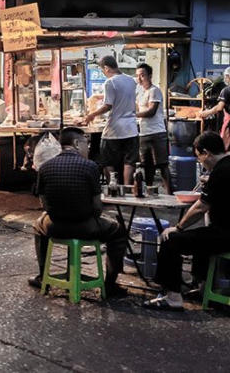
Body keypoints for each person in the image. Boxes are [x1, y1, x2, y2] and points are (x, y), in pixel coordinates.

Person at [143, 132, 230, 311]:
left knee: (172, 240)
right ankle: (202, 288)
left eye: (199, 157)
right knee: (202, 236)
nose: (201, 162)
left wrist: (178, 227)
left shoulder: (221, 172)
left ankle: (173, 296)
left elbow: (200, 208)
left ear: (206, 153)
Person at [30, 127, 129, 297]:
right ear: (76, 143)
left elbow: (44, 203)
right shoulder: (90, 167)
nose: (88, 148)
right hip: (86, 226)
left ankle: (42, 276)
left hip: (55, 226)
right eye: (86, 143)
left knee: (37, 226)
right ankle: (110, 284)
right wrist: (92, 218)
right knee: (118, 231)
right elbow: (97, 207)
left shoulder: (45, 167)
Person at [82, 55, 138, 185]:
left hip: (114, 130)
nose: (104, 73)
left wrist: (91, 115)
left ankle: (113, 190)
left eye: (102, 71)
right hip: (131, 129)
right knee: (129, 162)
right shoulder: (131, 80)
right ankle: (127, 190)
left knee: (107, 161)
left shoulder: (110, 82)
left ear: (106, 68)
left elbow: (108, 105)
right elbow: (122, 97)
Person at [135, 63, 172, 194]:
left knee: (162, 165)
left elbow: (151, 111)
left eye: (142, 75)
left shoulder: (154, 91)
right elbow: (139, 110)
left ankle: (169, 194)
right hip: (144, 134)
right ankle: (149, 192)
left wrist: (133, 114)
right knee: (147, 166)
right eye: (137, 76)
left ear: (149, 76)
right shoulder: (140, 93)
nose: (139, 78)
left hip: (157, 133)